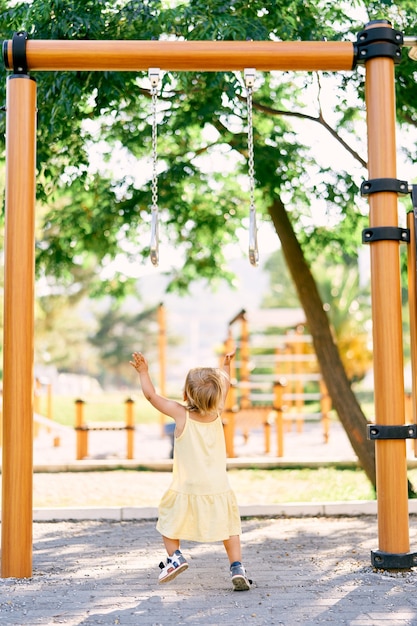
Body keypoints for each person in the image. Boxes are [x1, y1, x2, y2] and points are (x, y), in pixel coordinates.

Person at [130, 349, 251, 591]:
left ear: (186, 394)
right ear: (217, 395)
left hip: (186, 487)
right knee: (229, 527)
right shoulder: (217, 412)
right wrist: (227, 367)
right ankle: (236, 566)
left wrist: (144, 372)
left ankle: (175, 557)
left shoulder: (180, 414)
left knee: (168, 520)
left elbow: (152, 397)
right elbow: (224, 386)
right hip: (218, 487)